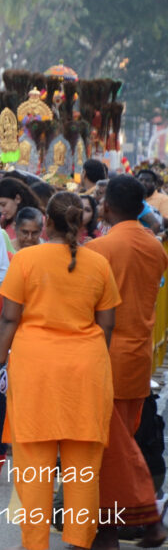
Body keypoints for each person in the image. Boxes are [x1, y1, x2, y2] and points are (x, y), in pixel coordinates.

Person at [0, 192, 120, 550]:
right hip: (86, 369)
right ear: (81, 224)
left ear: (46, 222)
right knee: (83, 467)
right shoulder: (98, 264)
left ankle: (35, 543)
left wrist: (0, 362)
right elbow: (107, 324)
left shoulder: (26, 259)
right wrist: (95, 360)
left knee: (33, 464)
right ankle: (79, 542)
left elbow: (9, 318)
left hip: (35, 369)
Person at [85, 175, 168, 548]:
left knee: (113, 446)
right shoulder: (155, 247)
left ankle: (121, 525)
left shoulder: (100, 249)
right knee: (119, 441)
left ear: (105, 207)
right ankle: (116, 524)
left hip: (106, 356)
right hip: (138, 358)